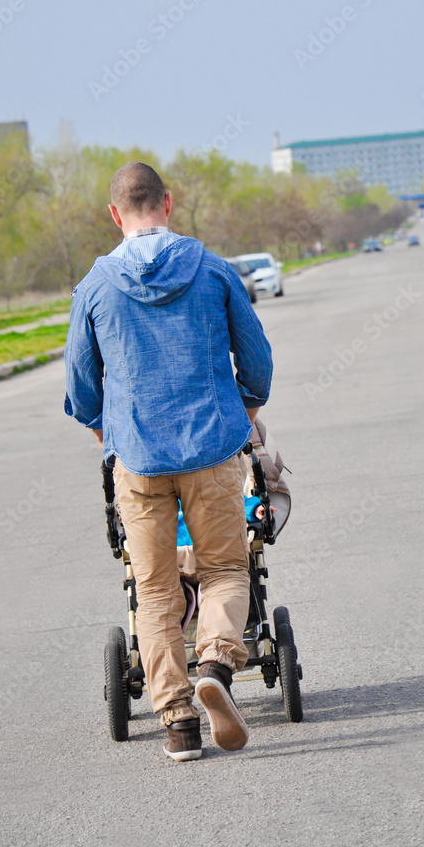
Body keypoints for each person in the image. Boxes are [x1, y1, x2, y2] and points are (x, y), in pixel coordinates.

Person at [64, 162, 273, 761]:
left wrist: (111, 429)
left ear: (114, 214)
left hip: (139, 460)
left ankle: (179, 724)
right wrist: (246, 408)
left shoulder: (96, 287)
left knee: (154, 590)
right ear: (168, 203)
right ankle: (216, 667)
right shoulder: (213, 271)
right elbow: (256, 359)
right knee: (227, 571)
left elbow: (82, 388)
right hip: (211, 449)